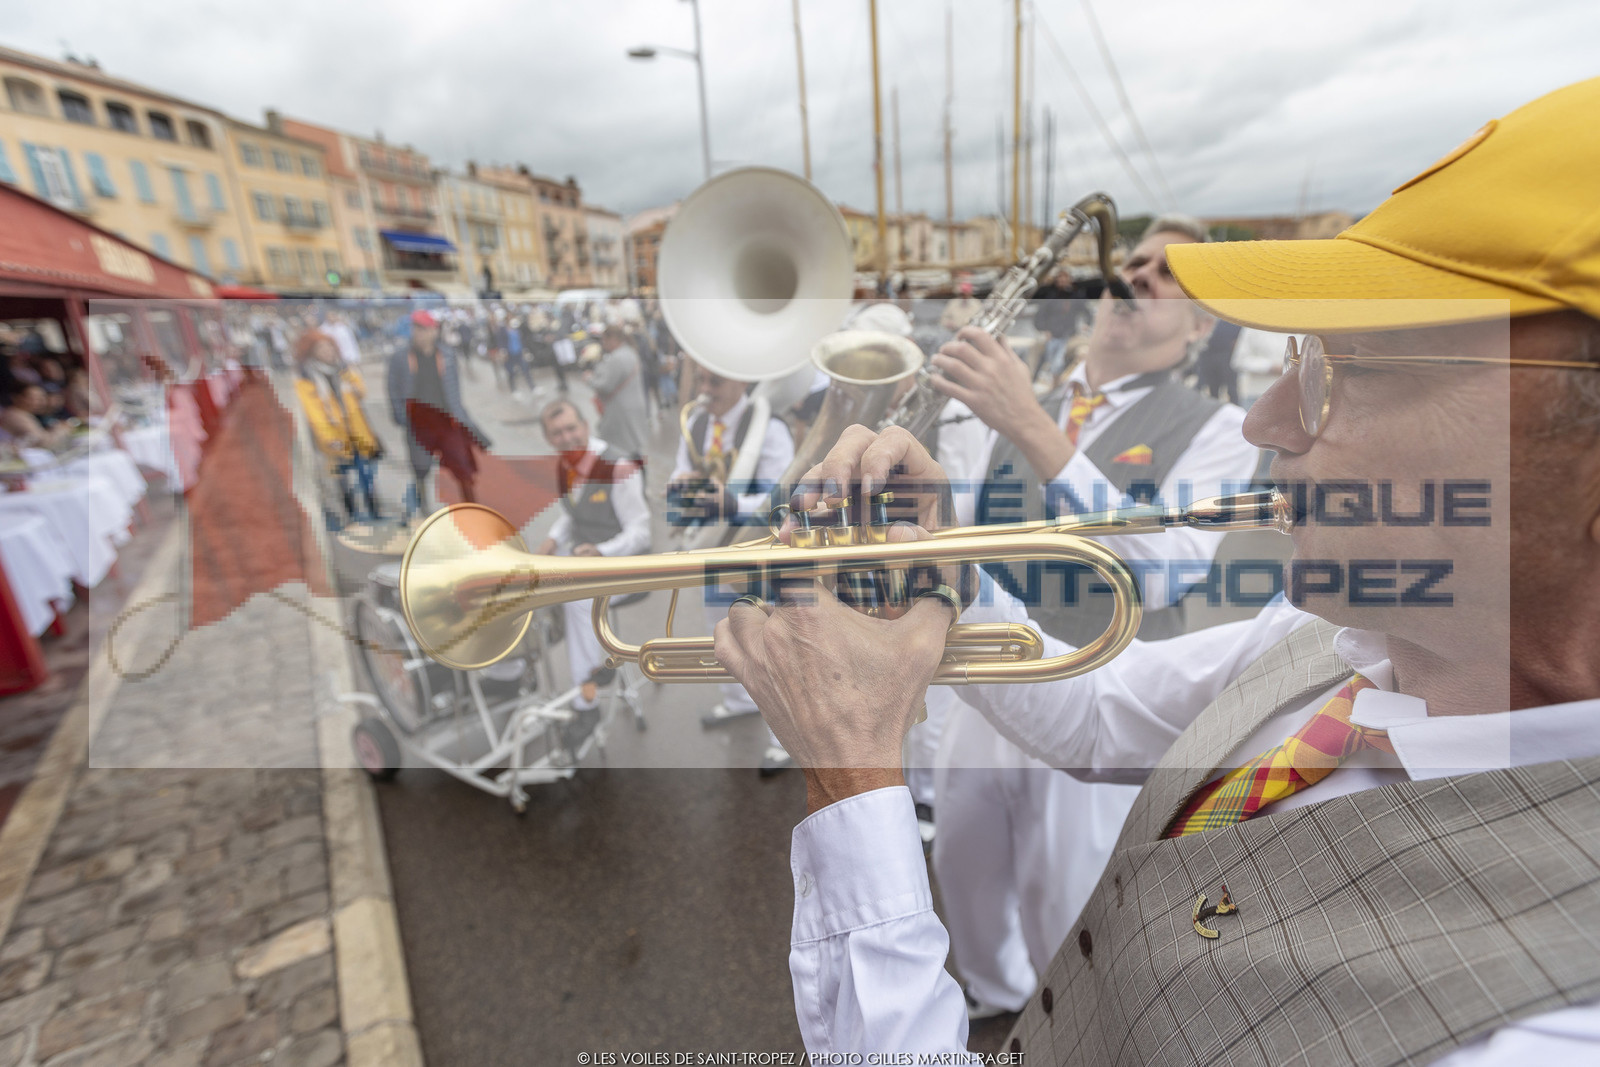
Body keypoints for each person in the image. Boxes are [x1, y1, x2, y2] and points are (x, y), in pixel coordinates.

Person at [715, 77, 1600, 1061]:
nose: (1268, 423)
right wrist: (941, 570)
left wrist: (850, 776)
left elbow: (1171, 573)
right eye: (1301, 358)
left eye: (1354, 367)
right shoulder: (1338, 641)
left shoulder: (1546, 1032)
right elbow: (1099, 710)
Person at [926, 216, 1263, 1016]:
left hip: (1099, 689)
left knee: (1064, 901)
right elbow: (966, 522)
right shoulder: (1026, 397)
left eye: (1168, 274)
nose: (1137, 276)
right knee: (964, 868)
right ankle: (995, 995)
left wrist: (1033, 428)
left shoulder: (1218, 428)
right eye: (1135, 261)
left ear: (1201, 325)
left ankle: (1064, 1029)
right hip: (989, 678)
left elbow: (1167, 570)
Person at [669, 359, 795, 752]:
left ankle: (784, 736)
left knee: (769, 638)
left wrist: (732, 503)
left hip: (757, 549)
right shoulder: (697, 423)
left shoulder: (770, 429)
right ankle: (739, 701)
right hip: (712, 545)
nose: (705, 389)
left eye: (715, 381)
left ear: (741, 381)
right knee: (721, 629)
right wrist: (682, 488)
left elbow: (783, 497)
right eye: (702, 379)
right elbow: (678, 473)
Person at [535, 399, 650, 728]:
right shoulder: (564, 464)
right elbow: (575, 513)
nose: (567, 437)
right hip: (587, 560)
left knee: (577, 599)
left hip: (629, 566)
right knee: (523, 580)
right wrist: (553, 539)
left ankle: (586, 705)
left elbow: (641, 532)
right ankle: (509, 674)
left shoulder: (618, 467)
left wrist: (601, 551)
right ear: (548, 438)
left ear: (585, 426)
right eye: (557, 433)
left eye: (571, 428)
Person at [386, 309, 491, 512]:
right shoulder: (400, 357)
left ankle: (472, 507)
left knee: (462, 467)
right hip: (419, 425)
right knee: (421, 468)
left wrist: (460, 415)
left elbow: (454, 390)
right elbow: (392, 388)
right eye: (416, 329)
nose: (420, 333)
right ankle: (425, 509)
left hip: (446, 423)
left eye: (424, 329)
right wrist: (402, 416)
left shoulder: (447, 355)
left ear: (434, 331)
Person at [293, 329, 384, 520]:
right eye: (321, 348)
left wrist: (352, 379)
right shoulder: (306, 379)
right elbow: (314, 415)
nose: (328, 351)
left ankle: (375, 513)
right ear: (311, 352)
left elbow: (362, 392)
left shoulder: (344, 370)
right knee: (343, 480)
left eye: (330, 347)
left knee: (366, 474)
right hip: (335, 437)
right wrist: (329, 439)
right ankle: (352, 516)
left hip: (357, 431)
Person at [584, 324, 651, 466]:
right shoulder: (630, 352)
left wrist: (589, 379)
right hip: (633, 406)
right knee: (632, 445)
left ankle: (628, 475)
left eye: (604, 340)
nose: (603, 344)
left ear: (613, 339)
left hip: (620, 410)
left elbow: (605, 386)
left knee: (620, 449)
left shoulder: (617, 357)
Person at [0, 384, 73, 449]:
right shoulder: (15, 415)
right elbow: (43, 442)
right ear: (17, 398)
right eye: (35, 399)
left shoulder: (23, 413)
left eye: (42, 398)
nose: (41, 402)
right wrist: (62, 428)